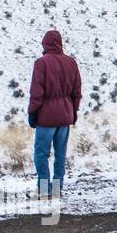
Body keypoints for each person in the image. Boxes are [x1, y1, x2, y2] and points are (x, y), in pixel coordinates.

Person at [27, 29, 82, 199]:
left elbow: (37, 94)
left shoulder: (41, 63)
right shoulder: (71, 63)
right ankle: (57, 188)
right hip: (65, 116)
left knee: (41, 154)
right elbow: (76, 92)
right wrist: (73, 112)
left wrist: (32, 113)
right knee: (60, 154)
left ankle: (44, 190)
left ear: (45, 44)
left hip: (46, 118)